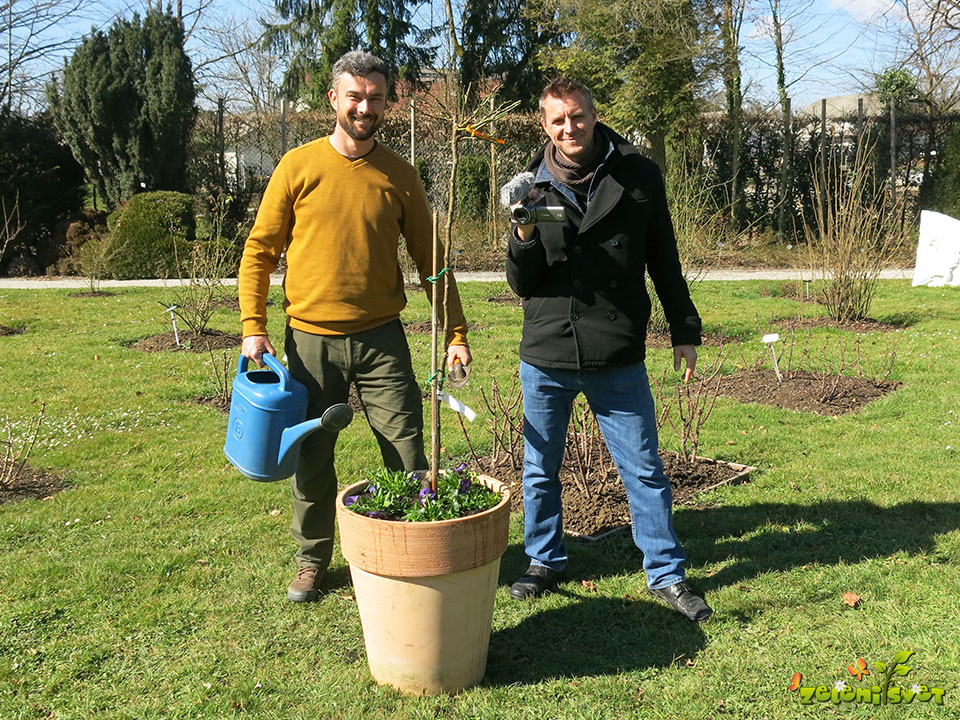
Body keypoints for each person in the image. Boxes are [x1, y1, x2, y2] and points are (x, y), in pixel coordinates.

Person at [237, 50, 471, 602]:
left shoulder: (400, 176)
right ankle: (311, 560)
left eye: (376, 98)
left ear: (388, 103)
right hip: (309, 341)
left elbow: (432, 262)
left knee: (407, 451)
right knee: (313, 457)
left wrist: (456, 334)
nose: (365, 107)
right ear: (333, 99)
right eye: (355, 96)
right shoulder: (297, 167)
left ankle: (413, 547)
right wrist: (253, 325)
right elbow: (259, 250)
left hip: (381, 340)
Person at [505, 77, 711, 622]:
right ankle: (543, 560)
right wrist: (522, 233)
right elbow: (523, 284)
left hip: (616, 351)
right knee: (539, 469)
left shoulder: (638, 175)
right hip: (547, 349)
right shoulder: (532, 187)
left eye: (577, 116)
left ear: (594, 116)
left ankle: (666, 573)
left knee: (643, 469)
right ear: (544, 124)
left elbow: (663, 255)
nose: (569, 127)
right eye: (558, 120)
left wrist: (684, 328)